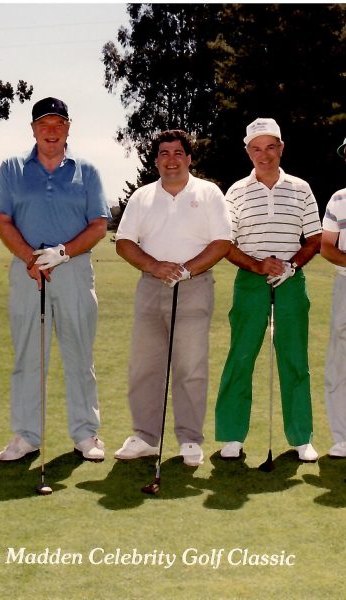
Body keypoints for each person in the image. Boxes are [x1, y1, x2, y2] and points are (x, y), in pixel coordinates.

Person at [0, 97, 111, 462]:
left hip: (73, 269)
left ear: (68, 128)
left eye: (59, 123)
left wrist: (62, 252)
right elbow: (1, 220)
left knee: (80, 355)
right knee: (29, 356)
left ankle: (86, 434)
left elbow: (99, 225)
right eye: (44, 124)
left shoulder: (86, 170)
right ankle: (27, 435)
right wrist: (31, 257)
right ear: (33, 129)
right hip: (27, 271)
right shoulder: (11, 168)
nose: (52, 130)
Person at [113, 130, 232, 467]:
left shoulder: (208, 192)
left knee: (190, 366)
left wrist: (186, 269)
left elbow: (222, 241)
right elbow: (124, 242)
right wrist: (154, 266)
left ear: (189, 158)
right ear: (156, 161)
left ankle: (190, 438)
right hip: (150, 287)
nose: (171, 160)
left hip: (194, 286)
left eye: (178, 153)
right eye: (164, 153)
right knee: (144, 366)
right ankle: (146, 437)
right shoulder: (142, 196)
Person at [215, 118, 321, 462]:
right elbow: (225, 243)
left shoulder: (301, 188)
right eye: (256, 149)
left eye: (271, 147)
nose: (264, 155)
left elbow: (314, 239)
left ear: (281, 148)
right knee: (241, 357)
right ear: (248, 152)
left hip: (291, 281)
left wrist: (292, 265)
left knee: (295, 359)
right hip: (250, 281)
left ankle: (301, 437)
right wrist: (257, 265)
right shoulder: (235, 192)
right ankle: (232, 435)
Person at [320, 136, 346, 458]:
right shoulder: (339, 199)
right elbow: (327, 247)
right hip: (345, 284)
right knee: (340, 363)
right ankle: (343, 436)